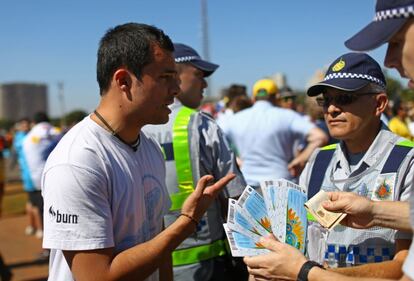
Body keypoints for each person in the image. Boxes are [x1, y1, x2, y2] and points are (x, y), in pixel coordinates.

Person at [42, 23, 235, 281]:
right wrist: (187, 222)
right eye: (165, 77)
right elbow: (97, 277)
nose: (176, 90)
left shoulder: (148, 148)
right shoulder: (77, 162)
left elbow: (158, 244)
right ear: (123, 81)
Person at [244, 52, 414, 281]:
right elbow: (295, 238)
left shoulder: (406, 161)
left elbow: (404, 267)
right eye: (326, 100)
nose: (332, 109)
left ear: (379, 104)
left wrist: (310, 274)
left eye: (344, 99)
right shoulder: (318, 160)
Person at [143, 43, 247, 281]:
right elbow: (235, 197)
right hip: (206, 264)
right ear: (174, 75)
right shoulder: (200, 124)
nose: (205, 84)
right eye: (199, 74)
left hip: (144, 265)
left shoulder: (136, 125)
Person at [223, 78, 327, 187]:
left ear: (253, 99)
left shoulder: (235, 119)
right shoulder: (287, 116)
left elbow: (216, 140)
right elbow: (319, 137)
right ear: (277, 97)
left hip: (248, 182)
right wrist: (300, 160)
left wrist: (236, 159)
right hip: (281, 183)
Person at [23, 112, 60, 240]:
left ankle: (47, 246)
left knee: (43, 211)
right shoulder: (54, 131)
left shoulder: (29, 136)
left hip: (37, 179)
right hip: (57, 177)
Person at [11, 118, 40, 236]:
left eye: (27, 124)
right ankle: (38, 228)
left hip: (29, 174)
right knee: (36, 204)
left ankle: (32, 226)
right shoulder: (23, 138)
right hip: (31, 175)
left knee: (31, 202)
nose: (26, 127)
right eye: (23, 125)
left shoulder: (22, 137)